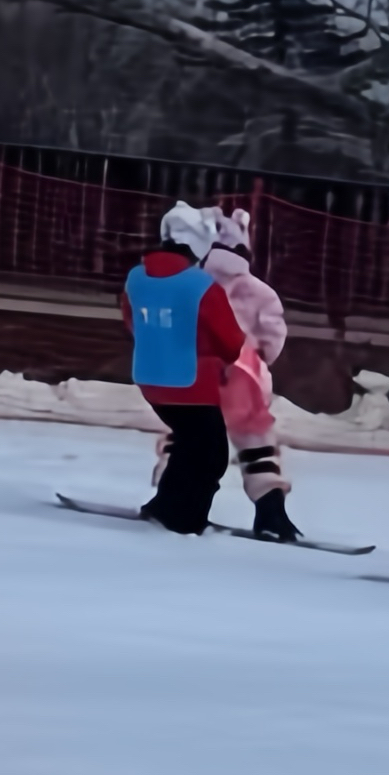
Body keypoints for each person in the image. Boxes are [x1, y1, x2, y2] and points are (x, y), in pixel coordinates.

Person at [124, 202, 249, 534]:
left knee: (187, 442)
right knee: (211, 455)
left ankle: (163, 505)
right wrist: (219, 359)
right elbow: (230, 340)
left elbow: (132, 321)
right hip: (191, 384)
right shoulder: (201, 285)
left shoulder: (135, 278)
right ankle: (185, 519)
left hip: (150, 380)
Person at [201, 206, 301, 542]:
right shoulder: (260, 291)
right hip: (246, 376)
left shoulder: (194, 283)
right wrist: (260, 359)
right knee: (256, 444)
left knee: (187, 437)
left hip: (200, 373)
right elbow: (273, 336)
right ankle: (271, 512)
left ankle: (173, 500)